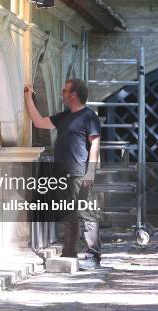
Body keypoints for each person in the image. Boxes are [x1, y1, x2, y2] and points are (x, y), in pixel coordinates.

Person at [24, 78, 102, 270]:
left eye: (65, 91)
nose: (62, 94)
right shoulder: (64, 116)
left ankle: (93, 256)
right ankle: (69, 254)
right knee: (68, 215)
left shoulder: (89, 116)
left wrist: (90, 172)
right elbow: (39, 122)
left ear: (74, 94)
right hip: (62, 174)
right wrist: (28, 98)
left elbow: (95, 145)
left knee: (87, 214)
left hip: (80, 174)